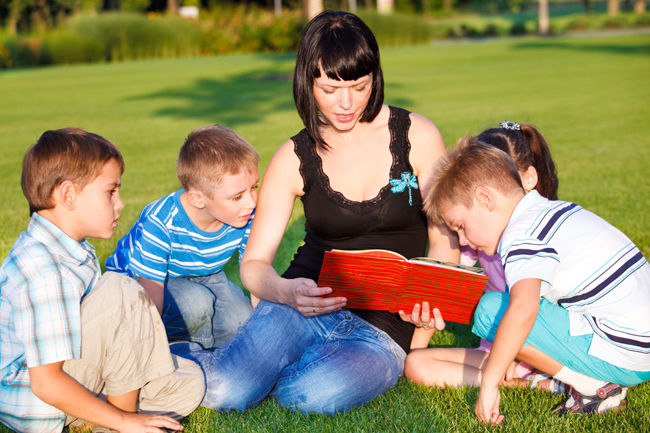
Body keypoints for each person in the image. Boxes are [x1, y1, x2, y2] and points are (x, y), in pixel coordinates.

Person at [171, 10, 459, 414]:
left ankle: (252, 360)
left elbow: (445, 243)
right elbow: (254, 264)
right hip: (299, 305)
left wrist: (421, 330)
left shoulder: (418, 137)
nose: (346, 103)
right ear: (307, 82)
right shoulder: (293, 156)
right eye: (329, 89)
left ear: (375, 78)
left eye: (359, 87)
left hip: (383, 330)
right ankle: (165, 352)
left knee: (306, 397)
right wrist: (285, 292)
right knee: (227, 393)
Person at [423, 137, 650, 423]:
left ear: (485, 199)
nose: (463, 240)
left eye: (461, 226)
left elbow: (523, 310)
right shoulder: (548, 211)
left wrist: (490, 383)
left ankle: (594, 387)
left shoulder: (521, 234)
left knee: (492, 310)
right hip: (637, 346)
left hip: (627, 353)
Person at [0, 128, 205, 433]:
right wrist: (124, 420)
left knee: (190, 382)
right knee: (119, 287)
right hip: (40, 399)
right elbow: (46, 383)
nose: (120, 203)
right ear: (68, 195)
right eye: (111, 192)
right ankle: (118, 422)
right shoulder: (43, 269)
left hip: (74, 375)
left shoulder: (71, 249)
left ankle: (101, 415)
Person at [405, 121, 564, 392]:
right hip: (498, 349)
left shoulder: (547, 232)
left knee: (498, 311)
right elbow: (447, 284)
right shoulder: (475, 237)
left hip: (542, 346)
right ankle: (531, 384)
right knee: (417, 364)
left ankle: (551, 377)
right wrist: (415, 340)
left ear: (528, 179)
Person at [106, 125, 258, 349]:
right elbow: (150, 292)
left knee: (240, 319)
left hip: (201, 274)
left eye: (254, 187)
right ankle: (190, 357)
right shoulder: (161, 222)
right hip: (139, 283)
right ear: (198, 198)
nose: (251, 202)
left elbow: (255, 270)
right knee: (195, 304)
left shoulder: (245, 215)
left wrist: (263, 326)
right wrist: (147, 349)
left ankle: (223, 359)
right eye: (237, 197)